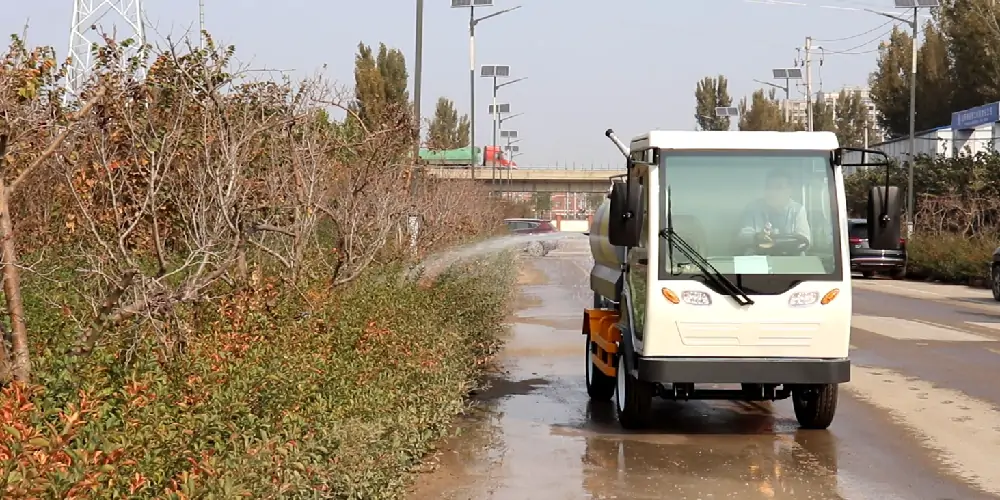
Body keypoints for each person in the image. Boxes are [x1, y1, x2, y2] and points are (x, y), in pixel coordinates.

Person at [736, 169, 811, 252]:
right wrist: (757, 237)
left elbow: (805, 240)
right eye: (769, 187)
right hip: (759, 257)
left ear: (789, 191)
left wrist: (777, 243)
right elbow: (742, 237)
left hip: (790, 257)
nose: (773, 192)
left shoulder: (798, 210)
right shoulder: (752, 208)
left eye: (779, 188)